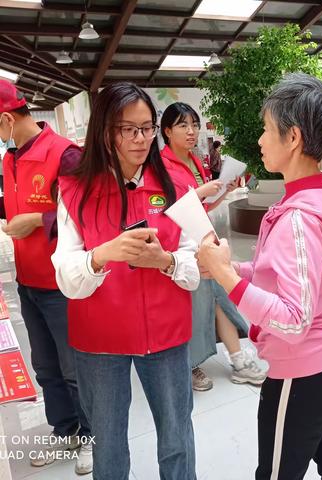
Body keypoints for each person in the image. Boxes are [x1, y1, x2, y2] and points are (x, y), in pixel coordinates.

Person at [197, 73, 322, 479]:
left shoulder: (299, 219)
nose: (259, 140)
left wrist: (229, 280)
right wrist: (231, 270)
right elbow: (290, 275)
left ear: (293, 139)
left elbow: (292, 319)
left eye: (267, 129)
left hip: (303, 373)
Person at [51, 83, 198, 480]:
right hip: (100, 340)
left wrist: (164, 260)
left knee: (177, 438)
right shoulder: (75, 189)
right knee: (109, 445)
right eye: (126, 129)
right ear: (104, 132)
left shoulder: (176, 185)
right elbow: (65, 273)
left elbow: (196, 262)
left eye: (147, 128)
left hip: (166, 336)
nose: (139, 139)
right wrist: (102, 255)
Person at [0, 79, 92, 474]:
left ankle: (91, 433)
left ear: (6, 118)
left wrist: (37, 220)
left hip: (61, 284)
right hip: (29, 281)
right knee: (46, 366)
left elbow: (89, 212)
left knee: (74, 368)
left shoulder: (65, 155)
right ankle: (65, 428)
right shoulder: (11, 157)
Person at [160, 102, 266, 391]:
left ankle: (238, 359)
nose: (192, 131)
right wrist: (199, 193)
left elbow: (202, 206)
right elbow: (166, 210)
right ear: (167, 131)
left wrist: (221, 191)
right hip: (181, 247)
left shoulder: (195, 161)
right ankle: (193, 364)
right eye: (183, 125)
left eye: (194, 124)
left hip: (203, 241)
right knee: (196, 304)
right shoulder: (161, 166)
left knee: (219, 296)